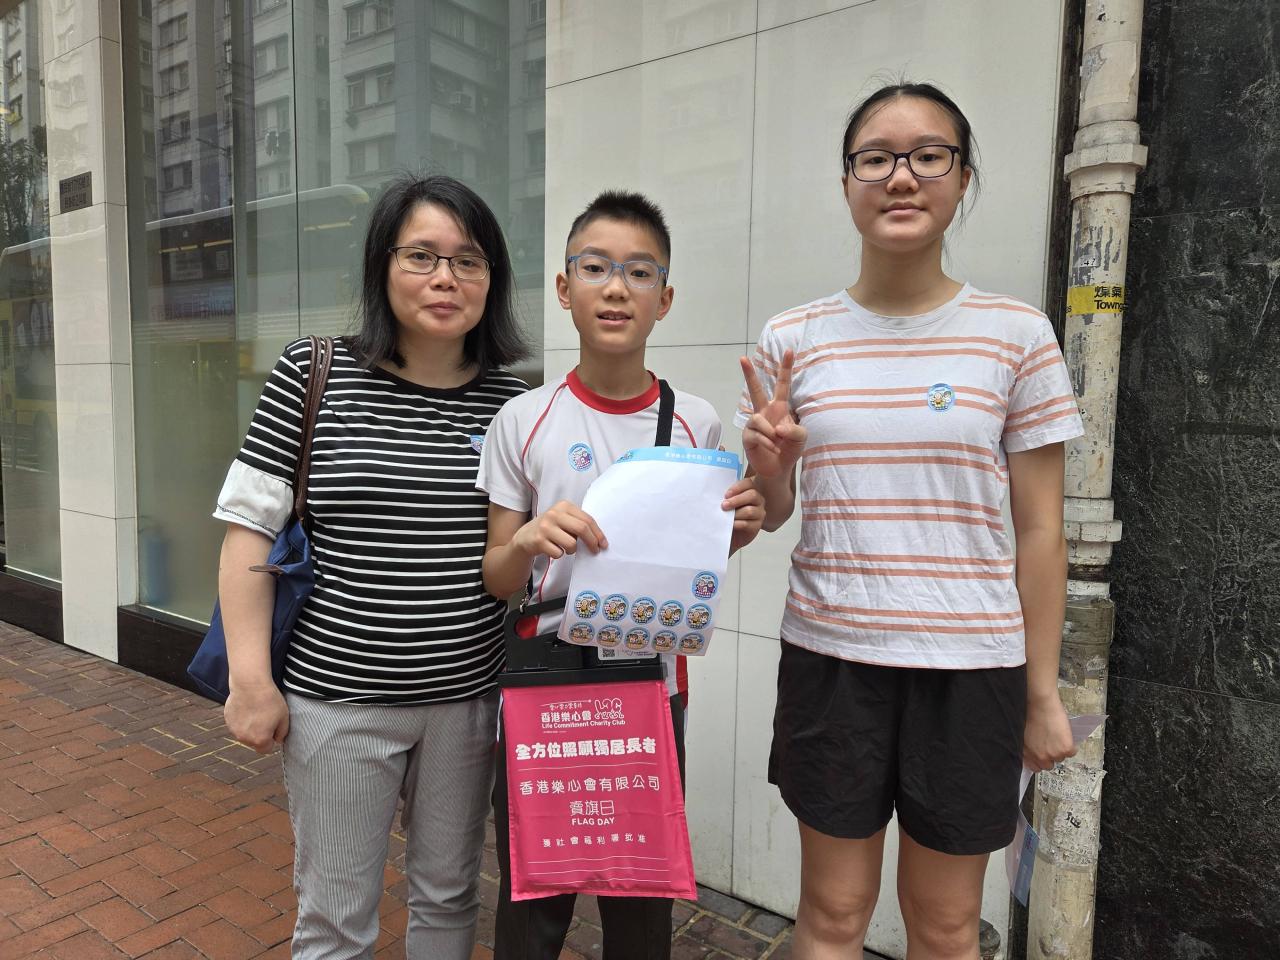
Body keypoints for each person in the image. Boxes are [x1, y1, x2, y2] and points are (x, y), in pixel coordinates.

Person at [737, 83, 1083, 959]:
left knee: (946, 924)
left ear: (963, 178)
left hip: (972, 669)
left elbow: (1042, 531)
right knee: (831, 916)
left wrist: (1043, 693)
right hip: (833, 659)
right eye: (876, 158)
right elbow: (773, 514)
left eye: (929, 156)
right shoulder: (793, 337)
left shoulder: (1017, 334)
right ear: (845, 182)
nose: (901, 177)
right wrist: (769, 471)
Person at [214, 173, 528, 959]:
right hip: (338, 702)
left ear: (492, 280)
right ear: (382, 266)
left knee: (450, 896)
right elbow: (248, 532)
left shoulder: (513, 404)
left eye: (469, 260)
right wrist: (250, 679)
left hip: (466, 703)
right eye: (422, 255)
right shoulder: (312, 371)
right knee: (335, 919)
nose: (446, 277)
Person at [477, 190, 765, 960]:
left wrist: (734, 535)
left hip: (647, 687)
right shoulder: (523, 419)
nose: (616, 288)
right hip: (543, 686)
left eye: (640, 272)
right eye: (596, 267)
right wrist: (528, 538)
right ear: (564, 288)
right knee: (532, 902)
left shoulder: (696, 423)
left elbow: (691, 569)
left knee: (640, 905)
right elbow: (497, 576)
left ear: (664, 299)